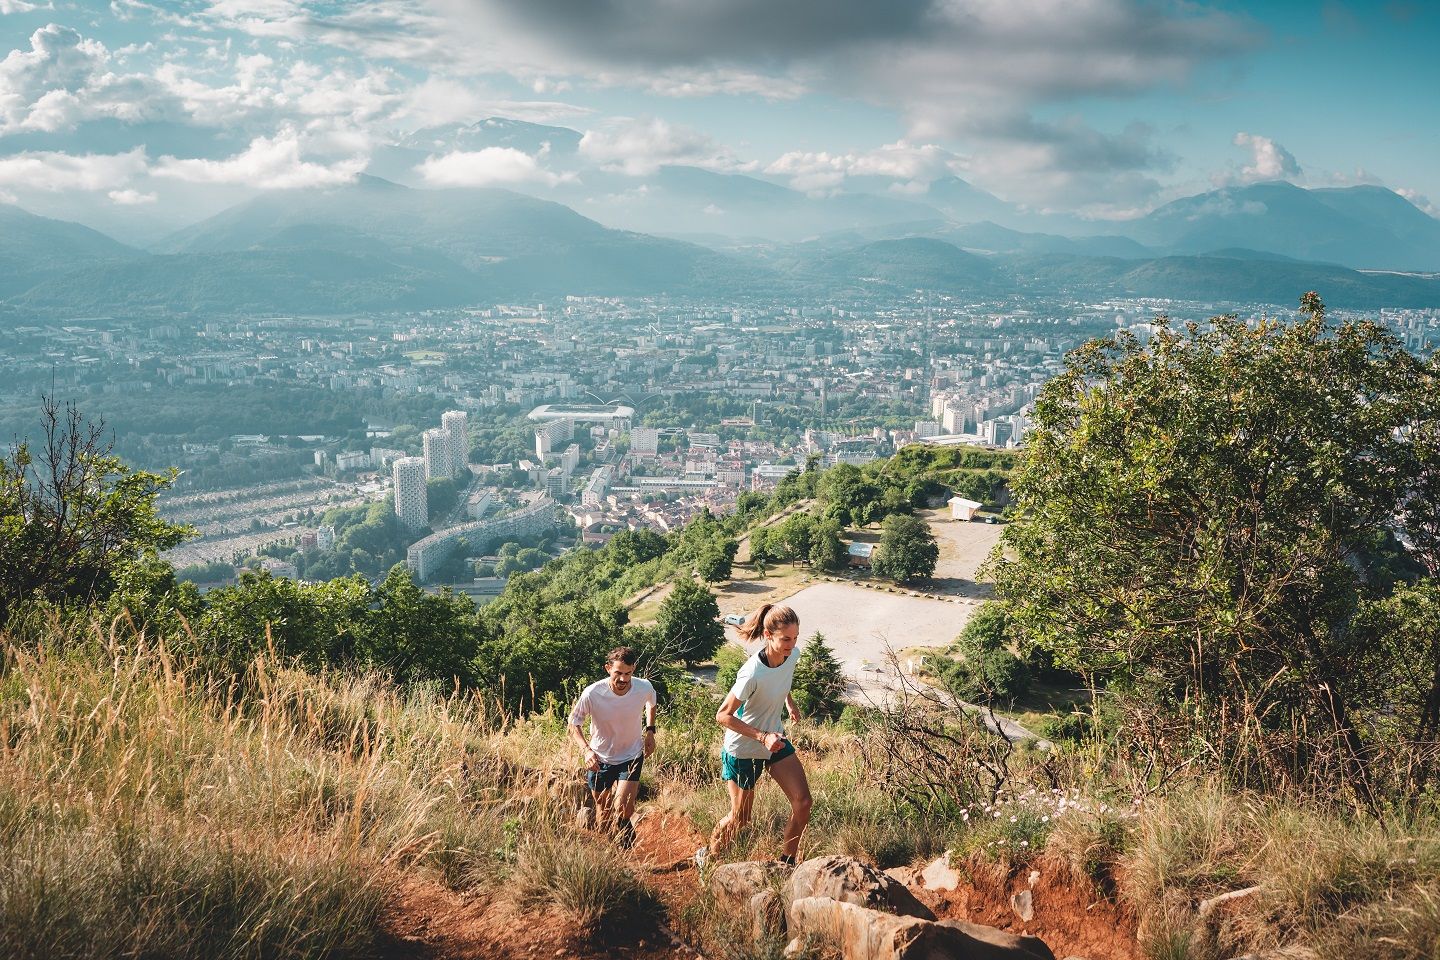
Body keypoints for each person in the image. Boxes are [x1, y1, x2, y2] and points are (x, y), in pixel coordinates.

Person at [702, 603, 812, 868]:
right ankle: (708, 857)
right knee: (740, 819)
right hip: (743, 749)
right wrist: (762, 737)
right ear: (767, 635)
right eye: (786, 639)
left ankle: (787, 863)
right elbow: (723, 715)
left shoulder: (792, 655)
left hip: (775, 740)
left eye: (795, 638)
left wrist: (789, 703)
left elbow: (782, 680)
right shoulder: (751, 672)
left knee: (803, 802)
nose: (792, 644)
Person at [568, 645, 657, 848]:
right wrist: (586, 750)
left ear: (633, 669)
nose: (623, 679)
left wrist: (650, 731)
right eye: (618, 673)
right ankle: (609, 850)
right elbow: (574, 722)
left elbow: (651, 703)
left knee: (624, 807)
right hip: (600, 759)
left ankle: (625, 832)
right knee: (603, 810)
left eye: (628, 673)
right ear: (607, 668)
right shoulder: (592, 693)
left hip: (631, 755)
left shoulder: (643, 687)